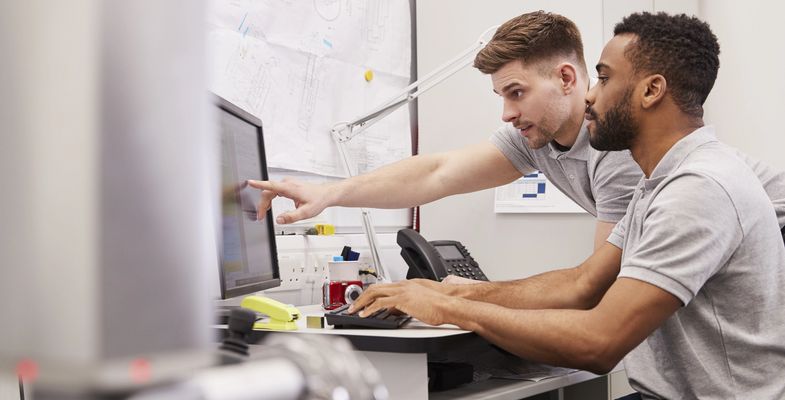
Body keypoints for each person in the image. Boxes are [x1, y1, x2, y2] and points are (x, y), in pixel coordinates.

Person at [348, 12, 785, 399]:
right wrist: (453, 291)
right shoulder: (662, 182)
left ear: (652, 90)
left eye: (605, 78)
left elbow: (598, 342)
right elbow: (582, 282)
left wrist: (449, 307)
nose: (591, 96)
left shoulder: (696, 189)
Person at [250, 11, 644, 251]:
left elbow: (598, 284)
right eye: (501, 96)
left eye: (517, 92)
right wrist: (327, 194)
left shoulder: (613, 148)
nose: (507, 114)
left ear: (565, 78)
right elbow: (437, 172)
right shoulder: (536, 138)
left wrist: (460, 298)